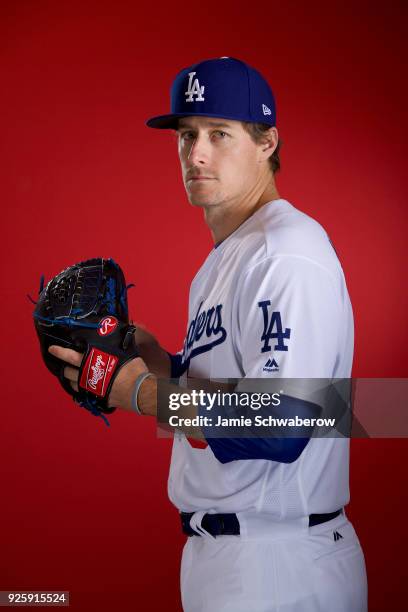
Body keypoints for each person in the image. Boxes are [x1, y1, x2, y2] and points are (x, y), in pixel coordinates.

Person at [49, 57, 368, 611]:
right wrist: (157, 360)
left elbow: (287, 420)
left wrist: (144, 395)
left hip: (279, 560)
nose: (195, 153)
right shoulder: (228, 258)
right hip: (231, 556)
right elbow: (238, 389)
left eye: (220, 134)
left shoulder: (286, 252)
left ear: (268, 142)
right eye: (187, 134)